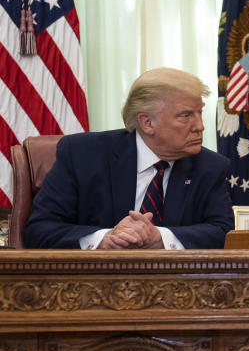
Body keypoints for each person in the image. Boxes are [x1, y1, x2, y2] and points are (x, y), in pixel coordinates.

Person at [23, 67, 234, 250]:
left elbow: (223, 233)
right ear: (147, 123)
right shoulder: (82, 155)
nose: (200, 126)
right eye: (186, 116)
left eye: (200, 112)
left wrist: (160, 237)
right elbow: (40, 229)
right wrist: (103, 239)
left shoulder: (211, 167)